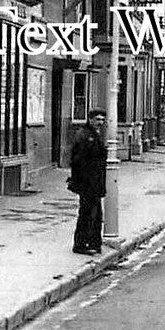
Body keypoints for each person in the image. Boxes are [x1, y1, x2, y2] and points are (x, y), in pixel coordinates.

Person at [68, 109, 107, 255]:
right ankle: (81, 245)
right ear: (90, 119)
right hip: (87, 183)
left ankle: (93, 243)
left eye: (102, 120)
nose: (100, 123)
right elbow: (79, 161)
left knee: (95, 214)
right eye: (97, 119)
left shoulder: (93, 134)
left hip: (94, 182)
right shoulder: (85, 136)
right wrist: (83, 182)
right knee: (87, 214)